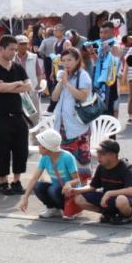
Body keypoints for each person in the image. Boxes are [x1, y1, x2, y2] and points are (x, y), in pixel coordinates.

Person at [0, 35, 32, 195]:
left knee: (21, 149)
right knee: (2, 150)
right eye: (11, 49)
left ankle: (17, 180)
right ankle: (2, 181)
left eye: (15, 49)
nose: (14, 52)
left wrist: (9, 86)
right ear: (2, 49)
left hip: (18, 114)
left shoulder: (18, 67)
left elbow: (28, 86)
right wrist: (16, 84)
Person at [69, 139, 132, 224]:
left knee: (121, 200)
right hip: (107, 199)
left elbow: (131, 191)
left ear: (113, 155)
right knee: (78, 199)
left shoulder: (126, 168)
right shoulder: (101, 167)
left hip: (126, 200)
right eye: (98, 153)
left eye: (102, 154)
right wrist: (75, 190)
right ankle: (107, 213)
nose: (98, 156)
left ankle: (125, 216)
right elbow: (92, 187)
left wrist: (109, 193)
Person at [50, 47, 94, 179]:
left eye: (69, 60)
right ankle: (67, 188)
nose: (66, 63)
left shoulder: (83, 75)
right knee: (65, 161)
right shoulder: (64, 75)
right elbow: (54, 98)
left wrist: (67, 84)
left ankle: (83, 190)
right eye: (63, 60)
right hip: (62, 125)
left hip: (78, 126)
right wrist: (61, 82)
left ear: (77, 60)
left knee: (81, 162)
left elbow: (82, 96)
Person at [17, 128, 80, 219]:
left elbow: (77, 180)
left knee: (52, 190)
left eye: (40, 144)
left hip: (69, 192)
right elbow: (35, 178)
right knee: (38, 186)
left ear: (48, 147)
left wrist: (69, 183)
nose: (38, 146)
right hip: (56, 189)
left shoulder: (67, 157)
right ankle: (53, 208)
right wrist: (25, 197)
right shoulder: (45, 157)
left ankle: (68, 209)